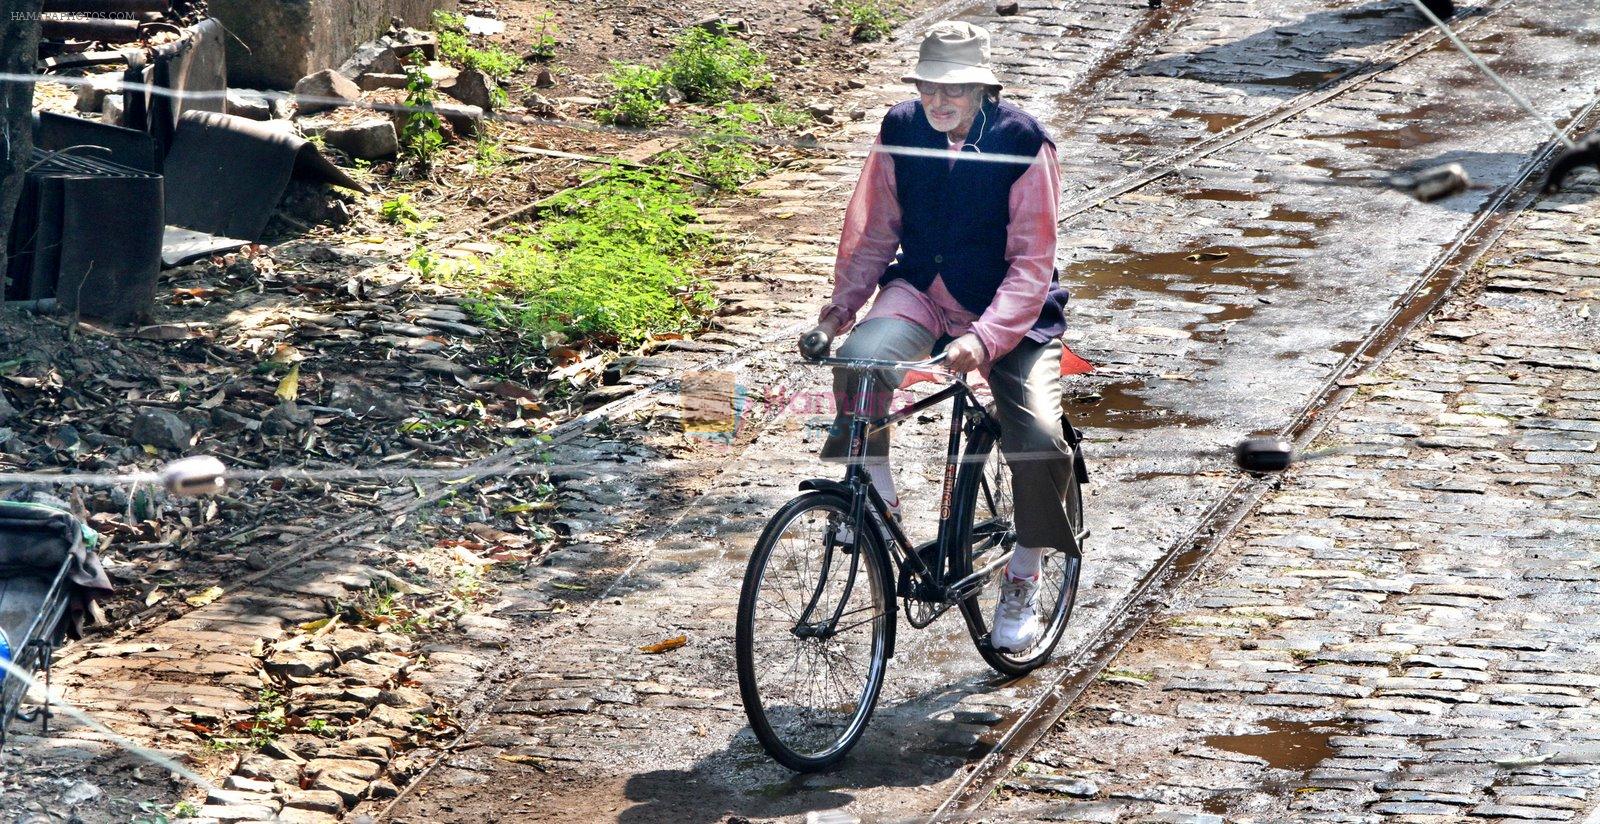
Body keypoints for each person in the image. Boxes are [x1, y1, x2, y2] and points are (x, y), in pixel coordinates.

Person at [801, 21, 1075, 653]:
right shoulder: (900, 131)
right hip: (922, 289)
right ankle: (879, 503)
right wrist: (835, 316)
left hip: (1009, 309)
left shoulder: (1024, 143)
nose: (939, 101)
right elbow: (874, 233)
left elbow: (1033, 263)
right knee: (861, 362)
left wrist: (985, 339)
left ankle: (1023, 579)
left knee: (1035, 436)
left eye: (955, 89)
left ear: (984, 89)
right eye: (929, 87)